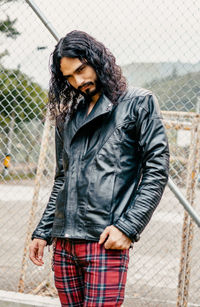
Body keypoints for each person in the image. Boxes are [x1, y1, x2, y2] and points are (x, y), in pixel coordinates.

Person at [29, 30, 169, 307]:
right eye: (69, 77)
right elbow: (62, 178)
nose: (78, 81)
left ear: (97, 59)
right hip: (63, 243)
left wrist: (128, 228)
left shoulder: (138, 102)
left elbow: (157, 168)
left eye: (81, 70)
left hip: (105, 240)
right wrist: (43, 231)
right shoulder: (68, 116)